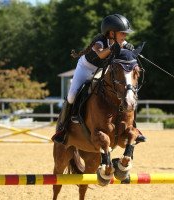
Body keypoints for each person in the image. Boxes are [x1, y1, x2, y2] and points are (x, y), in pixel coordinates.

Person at [51, 14, 135, 144]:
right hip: (86, 68)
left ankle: (132, 125)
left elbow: (127, 59)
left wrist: (130, 49)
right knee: (72, 95)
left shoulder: (122, 42)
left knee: (122, 91)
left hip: (103, 69)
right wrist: (114, 47)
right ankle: (62, 129)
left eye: (125, 33)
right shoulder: (99, 41)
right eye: (122, 33)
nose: (125, 36)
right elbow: (101, 55)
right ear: (111, 33)